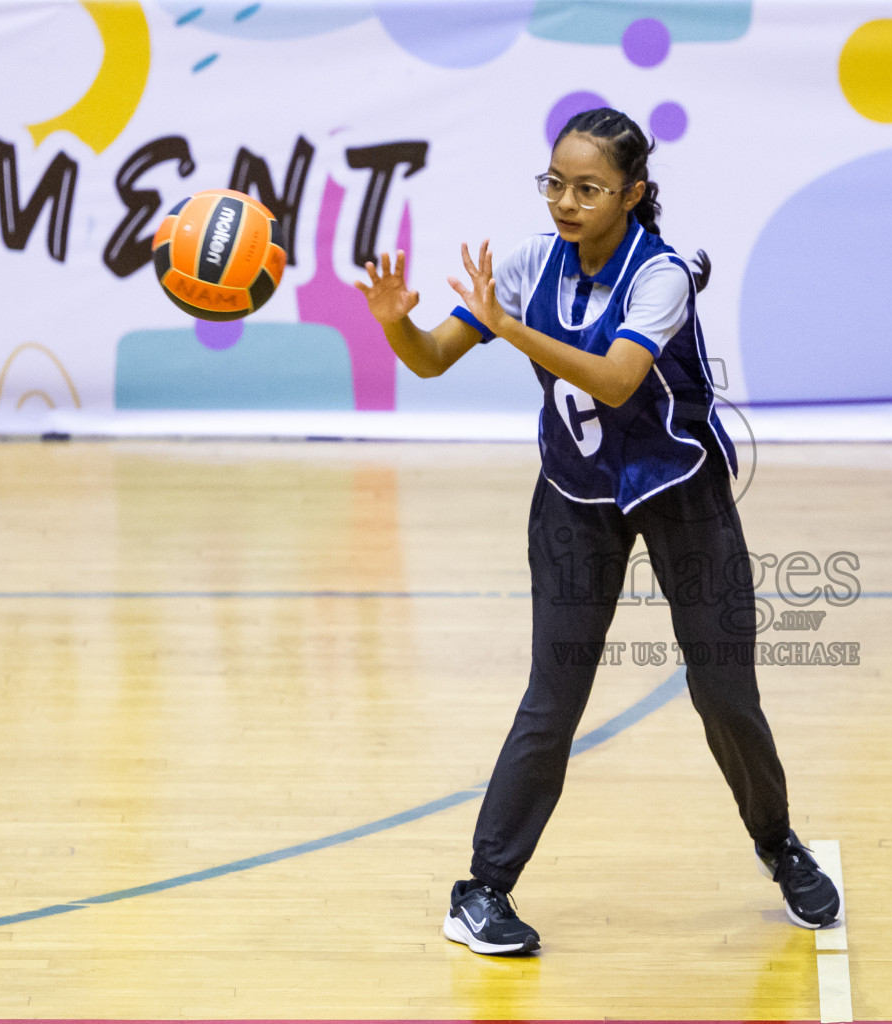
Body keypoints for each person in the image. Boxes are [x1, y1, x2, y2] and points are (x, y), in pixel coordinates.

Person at [354, 107, 841, 956]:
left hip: (680, 492)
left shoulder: (661, 276)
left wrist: (509, 328)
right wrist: (396, 320)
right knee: (553, 699)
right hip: (575, 500)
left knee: (726, 692)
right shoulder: (529, 263)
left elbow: (618, 382)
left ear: (633, 193)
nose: (566, 202)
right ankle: (481, 891)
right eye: (555, 184)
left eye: (588, 188)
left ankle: (778, 845)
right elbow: (432, 357)